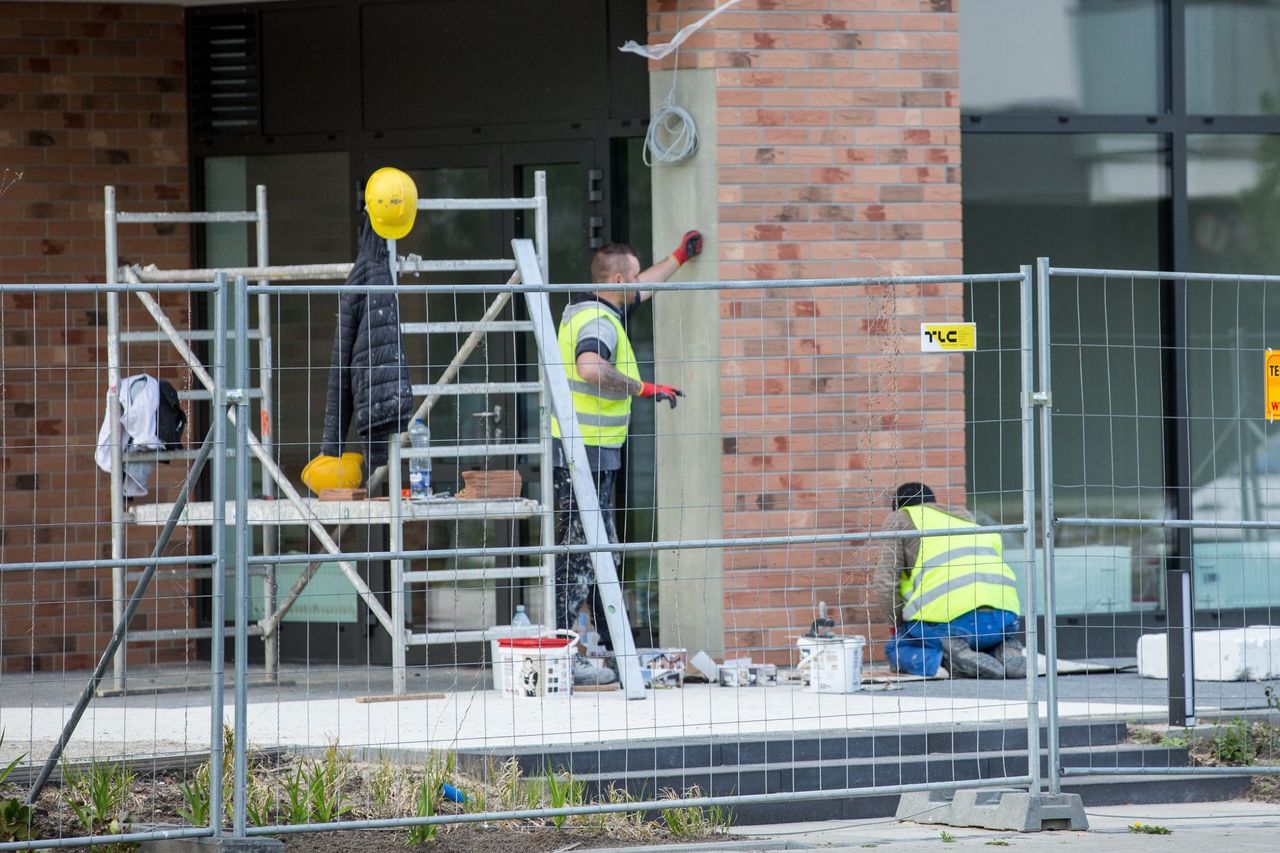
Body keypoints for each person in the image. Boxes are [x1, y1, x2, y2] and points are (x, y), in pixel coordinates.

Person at [552, 231, 703, 685]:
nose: (638, 284)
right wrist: (644, 388)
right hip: (586, 454)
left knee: (600, 555)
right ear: (616, 278)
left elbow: (647, 283)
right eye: (632, 277)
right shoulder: (599, 322)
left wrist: (678, 256)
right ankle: (566, 656)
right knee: (581, 557)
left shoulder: (596, 308)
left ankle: (615, 652)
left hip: (591, 453)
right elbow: (591, 368)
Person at [876, 483, 1027, 679]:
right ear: (933, 504)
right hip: (1004, 620)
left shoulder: (900, 518)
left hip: (950, 622)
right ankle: (1003, 649)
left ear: (898, 507)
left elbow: (886, 583)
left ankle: (949, 660)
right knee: (979, 638)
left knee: (897, 647)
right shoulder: (964, 518)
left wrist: (896, 623)